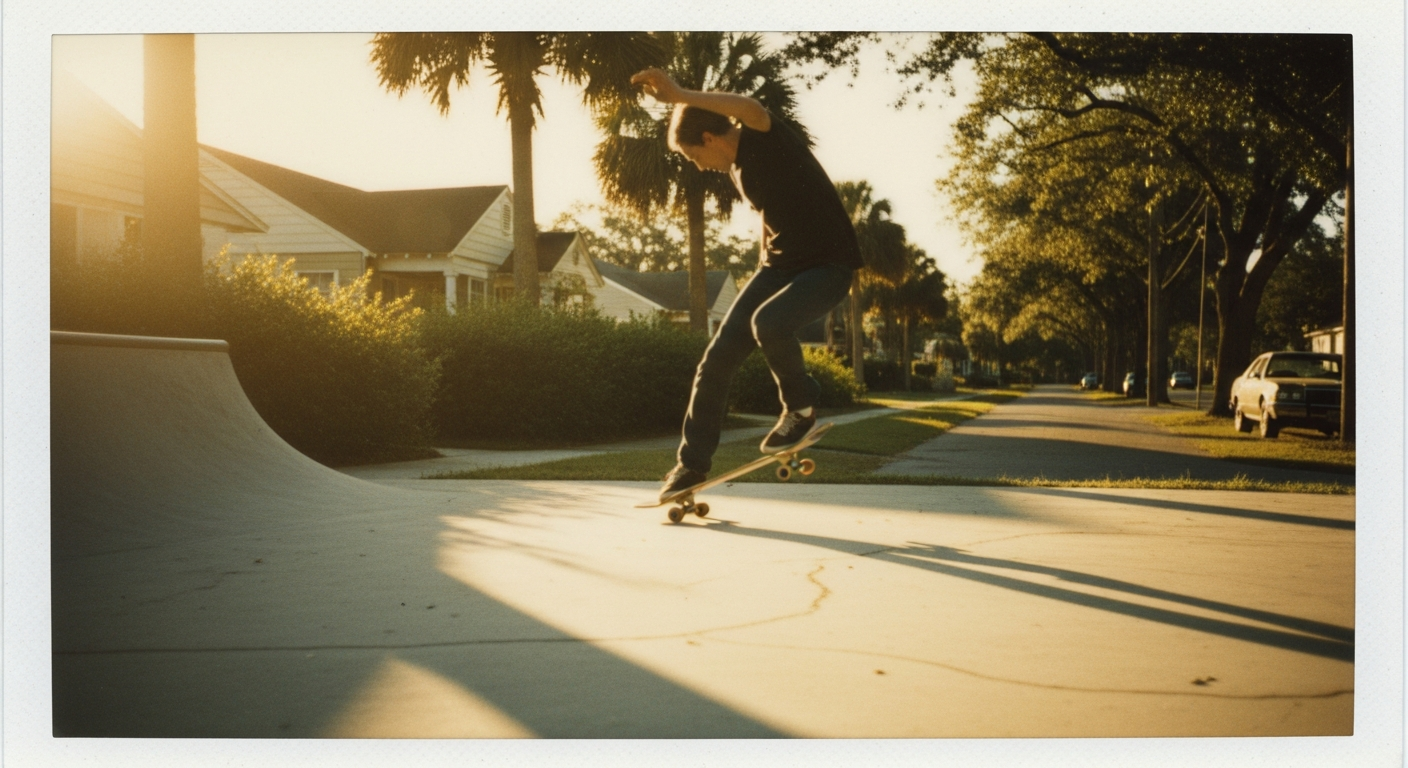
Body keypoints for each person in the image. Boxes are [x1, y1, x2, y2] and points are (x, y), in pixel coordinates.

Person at [630, 68, 864, 503]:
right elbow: (770, 217)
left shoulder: (763, 137)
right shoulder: (736, 171)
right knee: (715, 360)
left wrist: (679, 95)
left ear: (709, 138)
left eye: (693, 156)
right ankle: (690, 465)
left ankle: (801, 408)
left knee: (769, 323)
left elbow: (749, 107)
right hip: (778, 266)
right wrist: (762, 265)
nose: (698, 166)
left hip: (829, 267)